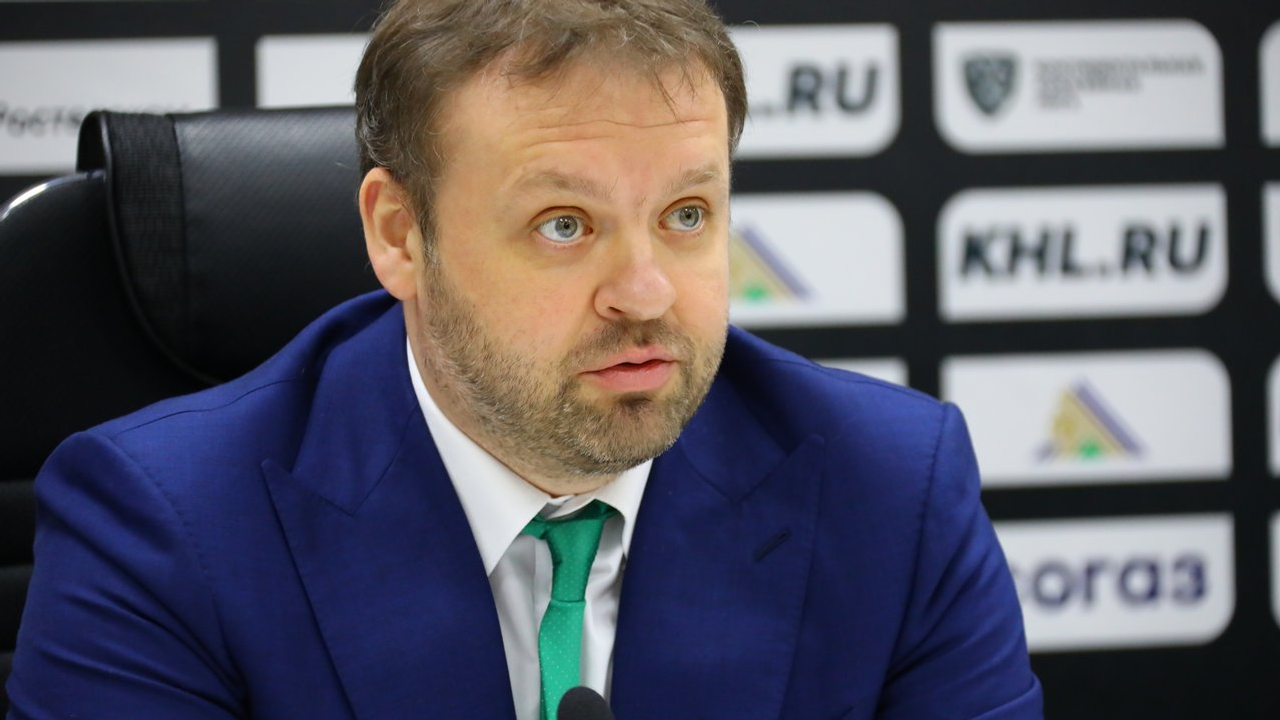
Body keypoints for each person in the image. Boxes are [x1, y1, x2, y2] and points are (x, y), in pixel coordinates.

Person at [6, 1, 1043, 718]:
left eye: (686, 214)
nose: (645, 293)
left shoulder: (889, 490)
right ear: (400, 236)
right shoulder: (164, 527)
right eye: (564, 225)